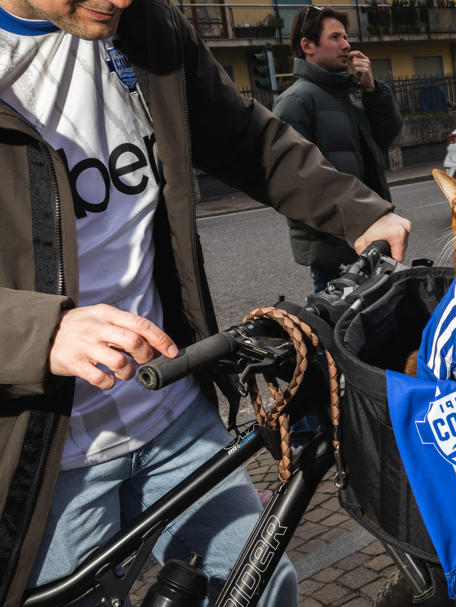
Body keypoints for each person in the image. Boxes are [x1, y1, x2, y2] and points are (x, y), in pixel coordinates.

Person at [0, 0, 410, 604]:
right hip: (43, 450)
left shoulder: (148, 27)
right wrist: (37, 331)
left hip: (171, 406)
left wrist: (354, 210)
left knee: (262, 587)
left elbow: (244, 137)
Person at [274, 6, 403, 293]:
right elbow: (293, 185)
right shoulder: (296, 102)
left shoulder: (345, 96)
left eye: (345, 37)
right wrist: (337, 238)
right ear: (307, 45)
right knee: (340, 320)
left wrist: (371, 89)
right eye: (335, 37)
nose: (346, 45)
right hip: (339, 254)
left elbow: (385, 136)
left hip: (368, 243)